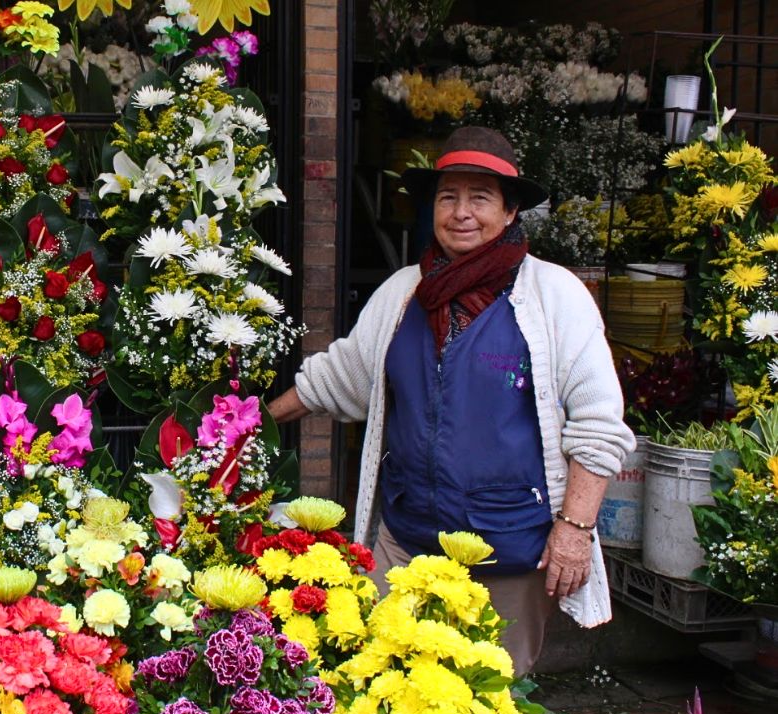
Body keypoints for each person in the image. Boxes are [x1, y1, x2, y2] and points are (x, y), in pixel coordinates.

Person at [268, 126, 635, 675]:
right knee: (388, 693)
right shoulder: (402, 292)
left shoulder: (554, 296)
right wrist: (248, 425)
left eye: (480, 198)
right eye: (448, 197)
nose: (462, 213)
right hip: (405, 542)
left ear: (510, 212)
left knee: (489, 700)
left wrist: (575, 531)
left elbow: (598, 422)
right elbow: (341, 376)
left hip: (508, 552)